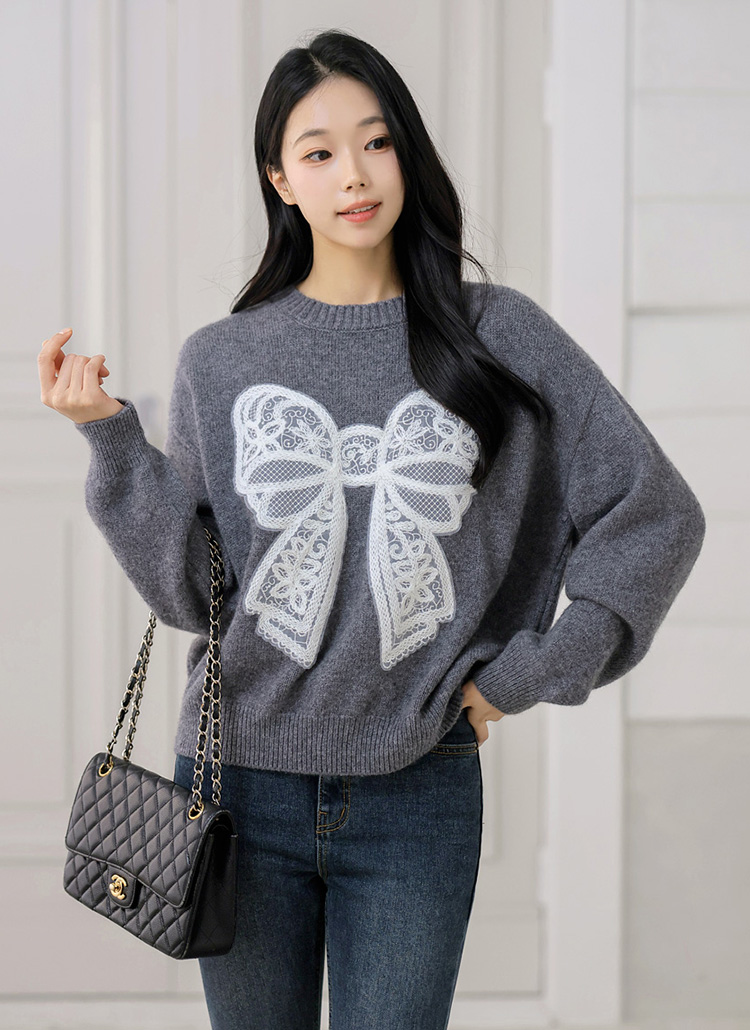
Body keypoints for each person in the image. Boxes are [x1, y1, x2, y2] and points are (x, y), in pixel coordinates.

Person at [36, 28, 705, 1030]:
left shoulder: (499, 334)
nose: (354, 173)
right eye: (318, 152)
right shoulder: (223, 359)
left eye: (377, 141)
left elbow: (655, 512)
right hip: (237, 784)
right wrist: (112, 440)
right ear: (280, 180)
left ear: (407, 153)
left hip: (417, 791)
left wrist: (529, 672)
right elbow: (196, 595)